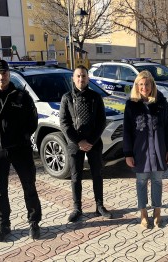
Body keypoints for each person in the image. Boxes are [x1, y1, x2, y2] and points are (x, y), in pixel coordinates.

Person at [0, 60, 42, 241]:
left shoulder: (21, 96)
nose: (1, 77)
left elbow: (33, 121)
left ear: (9, 74)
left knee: (29, 186)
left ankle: (34, 222)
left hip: (20, 150)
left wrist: (22, 137)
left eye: (4, 73)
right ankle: (3, 224)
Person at [60, 65, 112, 222]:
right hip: (75, 144)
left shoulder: (96, 97)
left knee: (97, 174)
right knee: (76, 176)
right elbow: (64, 123)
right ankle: (77, 208)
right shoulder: (67, 98)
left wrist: (90, 141)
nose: (81, 79)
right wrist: (79, 141)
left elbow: (101, 121)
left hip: (94, 143)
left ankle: (100, 206)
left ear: (88, 78)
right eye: (78, 76)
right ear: (73, 79)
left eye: (83, 76)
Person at [123, 70, 168, 228]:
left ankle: (157, 211)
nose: (144, 87)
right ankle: (143, 213)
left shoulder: (161, 103)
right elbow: (127, 131)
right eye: (141, 84)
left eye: (147, 84)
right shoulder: (131, 105)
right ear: (137, 86)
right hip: (140, 152)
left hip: (159, 151)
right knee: (141, 182)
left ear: (152, 85)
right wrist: (128, 153)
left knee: (157, 181)